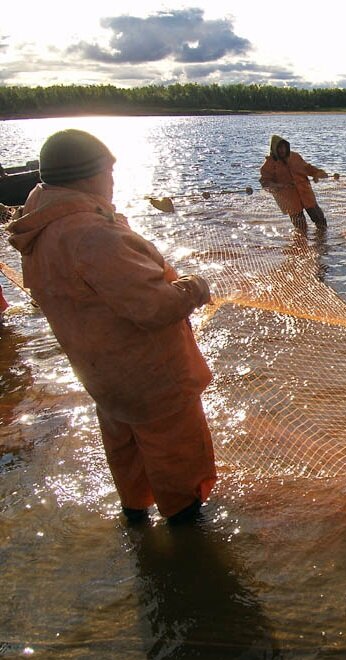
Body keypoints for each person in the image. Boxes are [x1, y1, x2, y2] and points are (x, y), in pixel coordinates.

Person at [6, 129, 216, 524]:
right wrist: (195, 288)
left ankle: (138, 534)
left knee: (129, 460)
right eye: (109, 173)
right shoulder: (92, 234)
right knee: (181, 469)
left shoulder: (39, 225)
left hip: (104, 377)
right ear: (90, 175)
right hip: (153, 379)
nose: (112, 182)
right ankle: (190, 547)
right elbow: (154, 307)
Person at [259, 135, 329, 231]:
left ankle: (322, 243)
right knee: (301, 228)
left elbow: (307, 168)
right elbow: (265, 182)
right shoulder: (269, 164)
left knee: (321, 222)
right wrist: (278, 185)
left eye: (284, 147)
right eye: (279, 148)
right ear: (274, 148)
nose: (282, 150)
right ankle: (302, 244)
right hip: (290, 201)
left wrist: (318, 173)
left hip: (306, 195)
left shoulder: (295, 157)